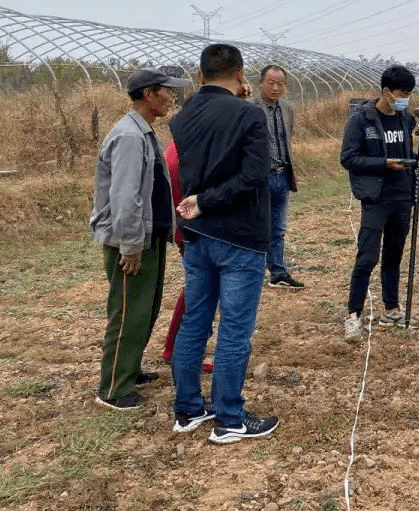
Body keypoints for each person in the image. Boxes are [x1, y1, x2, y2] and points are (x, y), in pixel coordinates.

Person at [170, 44, 279, 443]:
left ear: (200, 77)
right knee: (234, 329)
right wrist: (208, 200)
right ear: (241, 73)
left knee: (194, 323)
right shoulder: (249, 114)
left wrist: (198, 202)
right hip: (238, 237)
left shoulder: (183, 117)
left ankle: (188, 409)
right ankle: (230, 419)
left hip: (198, 238)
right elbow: (253, 176)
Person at [90, 67, 190, 410]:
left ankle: (128, 370)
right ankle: (114, 389)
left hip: (149, 238)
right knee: (128, 312)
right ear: (149, 95)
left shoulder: (143, 132)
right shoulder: (130, 137)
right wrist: (130, 247)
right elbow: (125, 198)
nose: (170, 98)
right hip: (132, 243)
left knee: (143, 310)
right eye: (167, 92)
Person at [161, 78, 252, 372]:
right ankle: (176, 350)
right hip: (193, 228)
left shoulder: (179, 146)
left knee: (195, 293)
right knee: (196, 296)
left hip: (187, 227)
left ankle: (175, 349)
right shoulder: (182, 152)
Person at [339, 65, 419, 342]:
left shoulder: (405, 119)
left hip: (402, 198)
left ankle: (391, 308)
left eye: (409, 94)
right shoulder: (362, 120)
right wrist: (384, 164)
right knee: (367, 257)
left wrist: (416, 161)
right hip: (376, 198)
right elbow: (349, 159)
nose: (406, 99)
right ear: (386, 92)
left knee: (393, 256)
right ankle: (354, 314)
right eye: (402, 93)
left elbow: (403, 153)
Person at [256, 64, 304, 289]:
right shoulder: (250, 107)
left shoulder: (287, 108)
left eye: (280, 84)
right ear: (261, 83)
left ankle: (278, 272)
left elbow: (288, 138)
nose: (276, 88)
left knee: (278, 228)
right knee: (257, 225)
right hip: (259, 177)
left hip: (282, 176)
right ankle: (254, 272)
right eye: (271, 83)